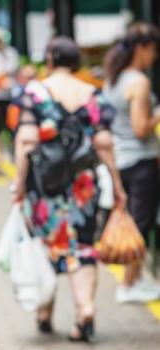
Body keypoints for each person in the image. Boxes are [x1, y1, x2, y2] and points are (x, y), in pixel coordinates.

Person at [11, 37, 127, 342]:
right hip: (83, 186)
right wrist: (117, 186)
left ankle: (44, 312)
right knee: (82, 247)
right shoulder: (91, 94)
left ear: (50, 58)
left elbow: (26, 141)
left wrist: (19, 185)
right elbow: (104, 144)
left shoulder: (35, 93)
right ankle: (84, 309)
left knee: (46, 245)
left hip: (43, 187)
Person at [103, 23, 160, 304]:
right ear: (142, 48)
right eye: (153, 50)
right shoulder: (139, 82)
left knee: (133, 220)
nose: (155, 56)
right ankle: (128, 284)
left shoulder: (113, 78)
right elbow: (141, 128)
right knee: (141, 223)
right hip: (141, 161)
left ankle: (133, 279)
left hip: (121, 159)